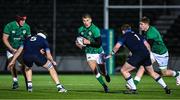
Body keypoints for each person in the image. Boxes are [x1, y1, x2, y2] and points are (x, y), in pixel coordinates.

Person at [106, 24, 171, 94]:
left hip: (138, 54)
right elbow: (147, 45)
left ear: (123, 31)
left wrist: (111, 54)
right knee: (152, 72)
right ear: (130, 29)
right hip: (146, 54)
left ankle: (133, 89)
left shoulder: (124, 36)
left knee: (123, 70)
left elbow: (117, 46)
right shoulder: (137, 34)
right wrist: (149, 54)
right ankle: (166, 88)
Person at [7, 27, 67, 92]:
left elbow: (19, 51)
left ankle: (30, 87)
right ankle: (59, 87)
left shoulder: (27, 39)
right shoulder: (44, 41)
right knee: (51, 67)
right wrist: (52, 61)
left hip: (26, 56)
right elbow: (48, 55)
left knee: (28, 68)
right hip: (37, 56)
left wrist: (12, 61)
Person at [132, 16, 180, 86]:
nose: (140, 26)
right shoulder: (146, 31)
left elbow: (148, 46)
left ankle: (177, 74)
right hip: (153, 52)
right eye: (140, 24)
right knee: (143, 66)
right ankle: (133, 85)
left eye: (141, 24)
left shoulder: (151, 33)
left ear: (146, 24)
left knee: (164, 73)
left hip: (161, 53)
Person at [75, 13, 110, 93]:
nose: (85, 22)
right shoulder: (80, 29)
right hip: (89, 52)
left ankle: (106, 74)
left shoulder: (95, 29)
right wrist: (78, 44)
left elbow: (99, 44)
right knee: (95, 71)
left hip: (99, 52)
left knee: (103, 71)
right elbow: (79, 40)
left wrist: (88, 42)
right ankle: (104, 86)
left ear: (90, 20)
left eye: (87, 20)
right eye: (84, 21)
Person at [3, 13, 31, 89]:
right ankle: (15, 82)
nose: (23, 21)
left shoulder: (27, 27)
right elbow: (4, 39)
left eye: (24, 20)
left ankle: (27, 83)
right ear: (17, 20)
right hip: (11, 49)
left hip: (21, 49)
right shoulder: (9, 26)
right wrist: (11, 48)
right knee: (12, 64)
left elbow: (28, 39)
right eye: (22, 20)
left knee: (24, 66)